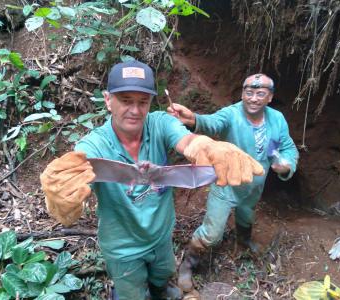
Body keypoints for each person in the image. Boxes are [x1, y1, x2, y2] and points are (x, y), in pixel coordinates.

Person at [40, 61, 264, 300]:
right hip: (123, 248)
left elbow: (187, 141)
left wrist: (208, 146)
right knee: (132, 294)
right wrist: (60, 194)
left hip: (161, 236)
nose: (135, 110)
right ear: (108, 100)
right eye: (126, 100)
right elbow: (79, 163)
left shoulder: (159, 124)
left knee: (163, 275)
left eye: (142, 101)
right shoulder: (96, 144)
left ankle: (159, 288)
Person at [167, 73, 299, 293]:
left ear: (270, 97)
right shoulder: (232, 114)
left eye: (260, 93)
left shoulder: (277, 119)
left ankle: (243, 242)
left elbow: (288, 148)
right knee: (212, 234)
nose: (254, 98)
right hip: (225, 184)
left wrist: (287, 164)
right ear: (242, 93)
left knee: (246, 214)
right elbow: (213, 123)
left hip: (254, 186)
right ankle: (187, 266)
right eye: (249, 92)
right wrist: (194, 120)